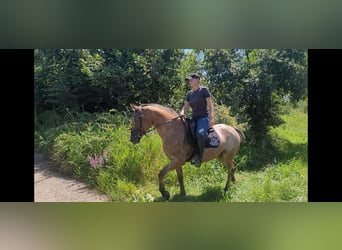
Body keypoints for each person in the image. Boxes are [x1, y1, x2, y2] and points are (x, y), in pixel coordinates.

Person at [180, 73, 215, 167]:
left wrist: (211, 117)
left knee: (200, 133)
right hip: (194, 117)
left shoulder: (203, 90)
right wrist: (182, 113)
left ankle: (199, 156)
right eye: (189, 80)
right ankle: (191, 154)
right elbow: (186, 107)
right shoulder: (190, 94)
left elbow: (210, 104)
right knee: (187, 133)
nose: (189, 82)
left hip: (203, 117)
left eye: (191, 80)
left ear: (197, 80)